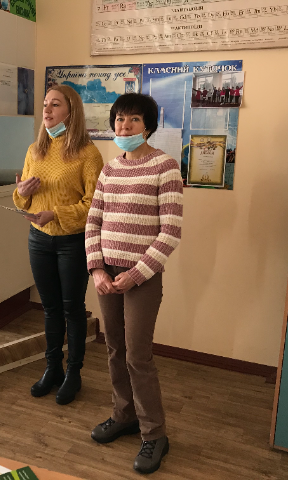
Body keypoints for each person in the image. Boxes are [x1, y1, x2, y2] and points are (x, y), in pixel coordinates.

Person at [85, 93, 183, 474]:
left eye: (134, 120)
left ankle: (155, 434)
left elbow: (170, 232)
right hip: (107, 275)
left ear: (148, 126)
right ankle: (124, 414)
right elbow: (93, 222)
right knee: (114, 348)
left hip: (142, 278)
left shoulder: (165, 167)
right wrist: (97, 270)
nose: (124, 126)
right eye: (119, 120)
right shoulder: (109, 170)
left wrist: (136, 273)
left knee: (137, 355)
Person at [14, 85, 104, 405]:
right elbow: (22, 199)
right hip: (39, 239)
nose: (47, 110)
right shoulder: (34, 150)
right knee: (50, 309)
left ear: (71, 111)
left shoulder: (88, 154)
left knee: (72, 309)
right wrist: (22, 192)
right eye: (45, 104)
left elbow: (94, 204)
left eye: (55, 104)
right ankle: (52, 368)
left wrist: (56, 214)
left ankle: (73, 373)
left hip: (72, 242)